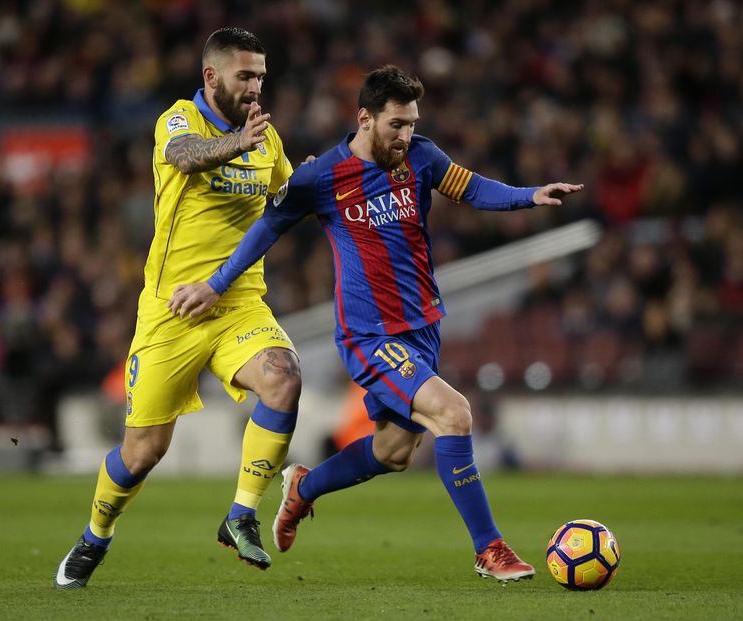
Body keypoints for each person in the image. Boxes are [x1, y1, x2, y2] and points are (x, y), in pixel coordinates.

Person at [168, 65, 584, 583]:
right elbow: (267, 228)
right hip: (370, 337)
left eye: (412, 124)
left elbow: (471, 188)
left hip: (424, 328)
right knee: (454, 414)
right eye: (396, 125)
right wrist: (217, 284)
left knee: (391, 453)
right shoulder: (321, 177)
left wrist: (530, 194)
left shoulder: (422, 157)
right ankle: (490, 549)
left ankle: (304, 487)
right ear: (365, 119)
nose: (406, 136)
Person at [54, 27, 303, 589]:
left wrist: (330, 179)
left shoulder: (269, 140)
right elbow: (184, 157)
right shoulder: (178, 121)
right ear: (211, 76)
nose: (255, 86)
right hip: (172, 311)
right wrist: (237, 143)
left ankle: (241, 514)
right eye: (245, 75)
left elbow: (291, 200)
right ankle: (96, 535)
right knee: (143, 451)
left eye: (261, 76)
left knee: (284, 379)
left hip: (238, 302)